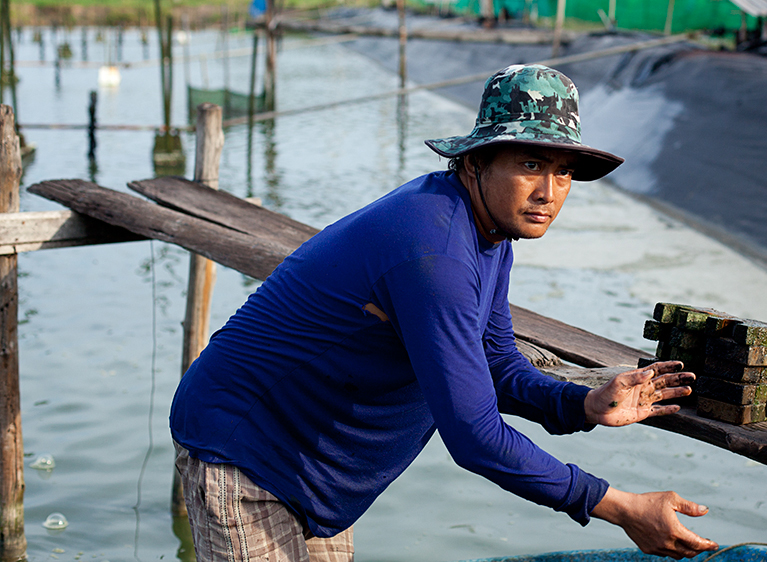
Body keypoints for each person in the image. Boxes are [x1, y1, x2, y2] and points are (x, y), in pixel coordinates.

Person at [170, 64, 719, 561]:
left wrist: (582, 403)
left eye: (564, 171)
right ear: (476, 161)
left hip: (314, 470)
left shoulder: (490, 232)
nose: (548, 192)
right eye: (530, 163)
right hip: (245, 451)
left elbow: (496, 361)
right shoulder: (434, 250)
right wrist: (620, 506)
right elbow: (474, 437)